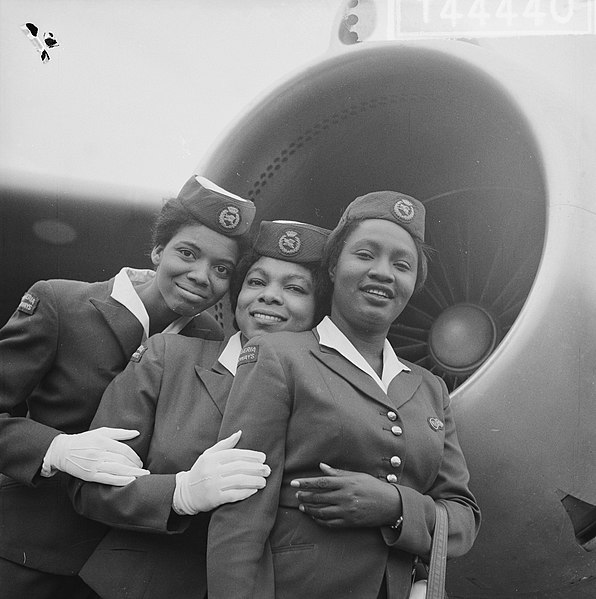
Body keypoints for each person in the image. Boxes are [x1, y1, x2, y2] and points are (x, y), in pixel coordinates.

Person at [206, 191, 481, 599]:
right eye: (365, 255)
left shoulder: (429, 388)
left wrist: (394, 506)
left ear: (413, 284)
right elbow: (240, 515)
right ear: (333, 266)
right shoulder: (277, 355)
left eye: (401, 265)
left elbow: (463, 518)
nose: (384, 273)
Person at [0, 174, 256, 599]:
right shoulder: (61, 304)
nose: (200, 275)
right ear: (158, 250)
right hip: (28, 551)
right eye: (187, 253)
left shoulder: (208, 340)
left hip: (129, 567)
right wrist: (54, 448)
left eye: (222, 269)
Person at [68, 220, 331, 599]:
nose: (269, 296)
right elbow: (88, 488)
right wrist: (179, 493)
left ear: (318, 308)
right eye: (256, 282)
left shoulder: (332, 394)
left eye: (294, 288)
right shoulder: (167, 358)